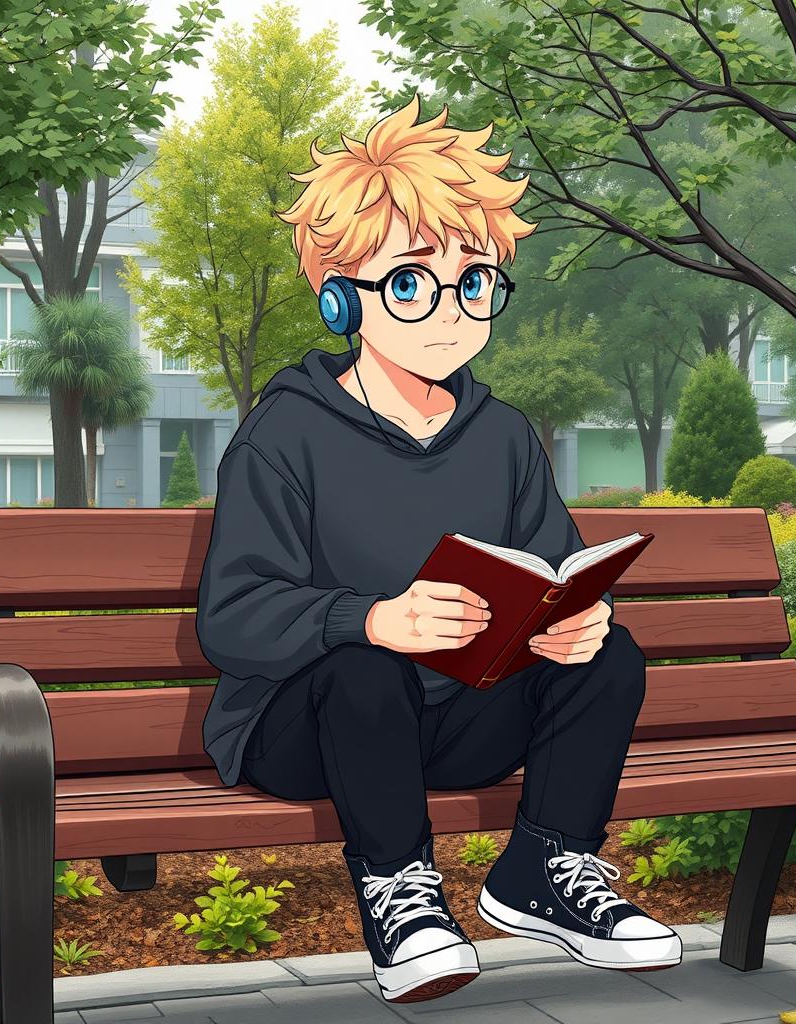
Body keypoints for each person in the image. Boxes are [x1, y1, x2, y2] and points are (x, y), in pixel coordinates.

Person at [195, 93, 681, 1005]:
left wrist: (568, 623)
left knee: (607, 652)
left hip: (457, 722)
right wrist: (372, 618)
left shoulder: (501, 435)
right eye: (413, 281)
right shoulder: (285, 434)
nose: (452, 312)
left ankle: (546, 867)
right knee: (365, 665)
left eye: (475, 281)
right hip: (306, 732)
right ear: (340, 293)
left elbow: (551, 568)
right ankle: (399, 895)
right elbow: (231, 619)